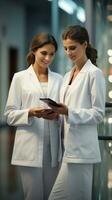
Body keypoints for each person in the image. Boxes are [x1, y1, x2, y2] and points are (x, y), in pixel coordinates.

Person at [48, 25, 106, 200]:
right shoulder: (67, 76)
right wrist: (56, 112)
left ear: (85, 45)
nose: (68, 52)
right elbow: (67, 109)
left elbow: (98, 113)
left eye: (73, 47)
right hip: (69, 150)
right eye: (65, 48)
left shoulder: (94, 74)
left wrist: (69, 112)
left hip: (82, 151)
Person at [4, 32, 63, 200]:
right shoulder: (20, 78)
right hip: (29, 148)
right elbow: (9, 115)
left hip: (53, 150)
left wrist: (57, 115)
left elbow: (63, 111)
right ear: (34, 51)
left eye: (52, 54)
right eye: (44, 53)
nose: (48, 58)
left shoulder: (59, 79)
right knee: (33, 196)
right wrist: (30, 112)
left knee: (52, 196)